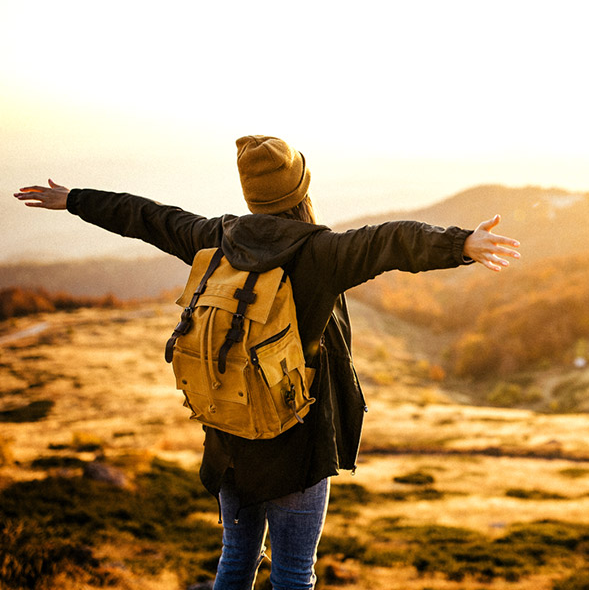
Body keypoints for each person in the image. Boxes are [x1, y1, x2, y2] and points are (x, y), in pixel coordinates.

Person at [14, 135, 521, 590]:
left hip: (230, 439)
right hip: (296, 446)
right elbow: (389, 240)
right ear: (299, 191)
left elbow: (148, 217)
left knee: (236, 559)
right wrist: (462, 244)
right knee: (294, 574)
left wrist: (74, 200)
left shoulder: (217, 237)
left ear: (251, 195)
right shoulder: (319, 252)